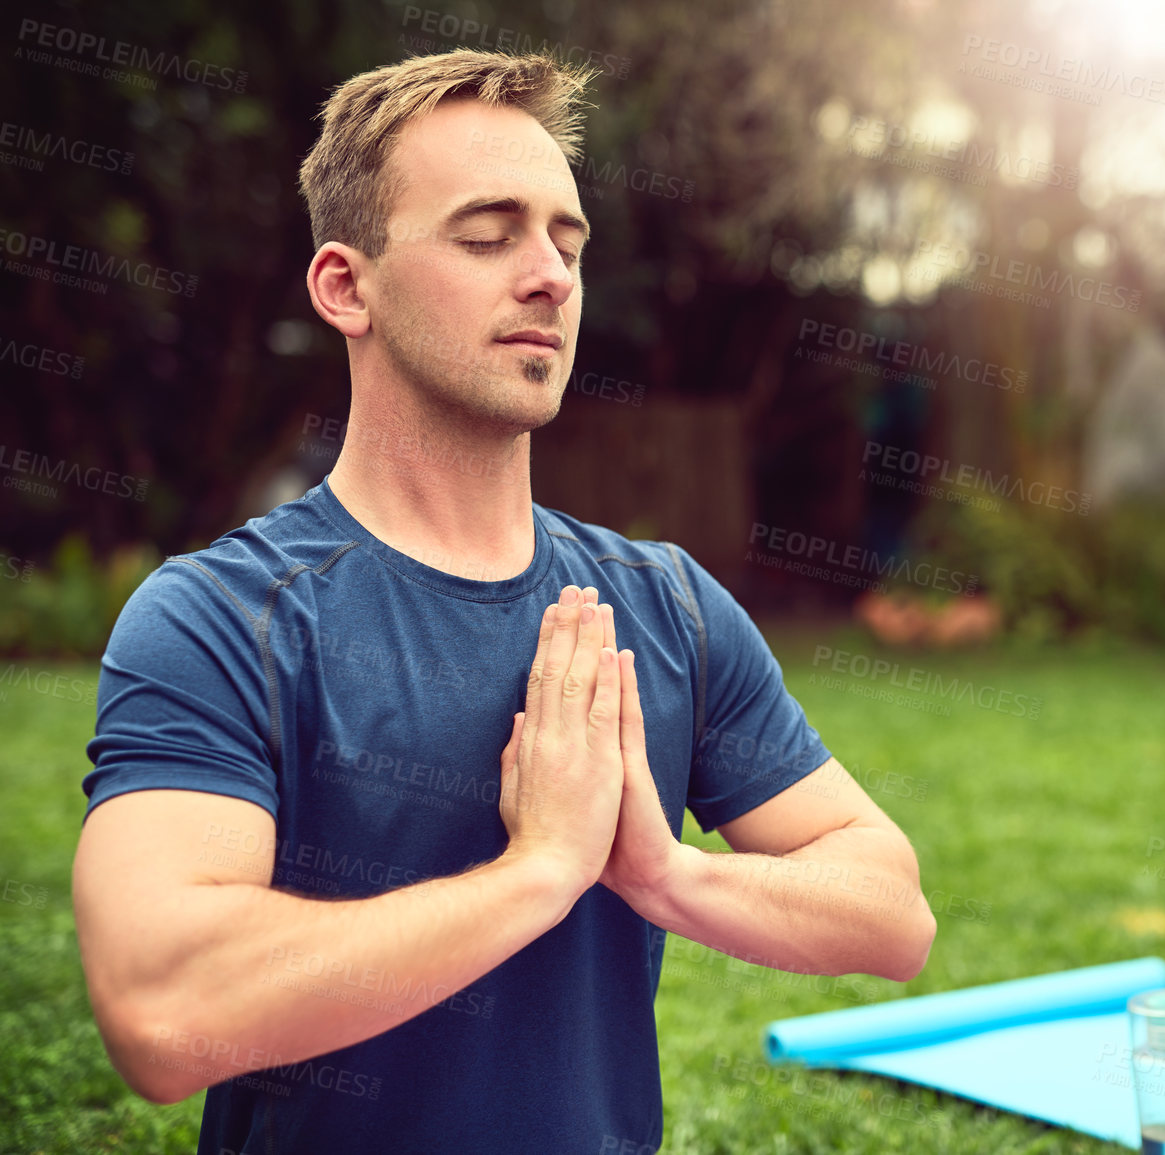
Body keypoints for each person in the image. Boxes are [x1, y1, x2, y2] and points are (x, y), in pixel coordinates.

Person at [70, 49, 935, 1155]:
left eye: (566, 241)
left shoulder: (664, 606)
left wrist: (662, 874)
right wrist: (535, 875)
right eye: (487, 236)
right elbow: (163, 1011)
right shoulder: (220, 619)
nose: (551, 277)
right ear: (347, 286)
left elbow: (894, 914)